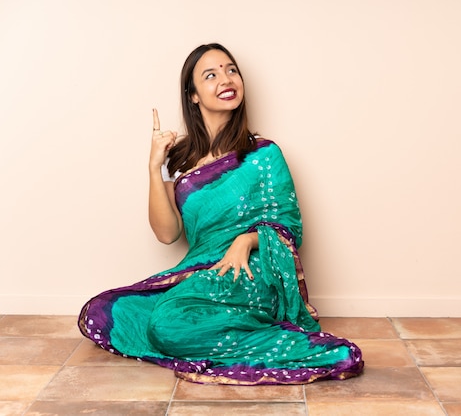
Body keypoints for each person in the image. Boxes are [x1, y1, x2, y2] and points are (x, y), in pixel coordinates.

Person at [78, 43, 364, 385]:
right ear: (193, 95)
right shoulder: (178, 160)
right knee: (106, 311)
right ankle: (243, 326)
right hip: (203, 269)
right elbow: (168, 233)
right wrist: (154, 168)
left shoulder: (263, 153)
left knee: (165, 324)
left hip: (251, 268)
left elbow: (290, 226)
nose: (226, 79)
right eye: (210, 75)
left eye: (231, 70)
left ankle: (309, 348)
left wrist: (246, 240)